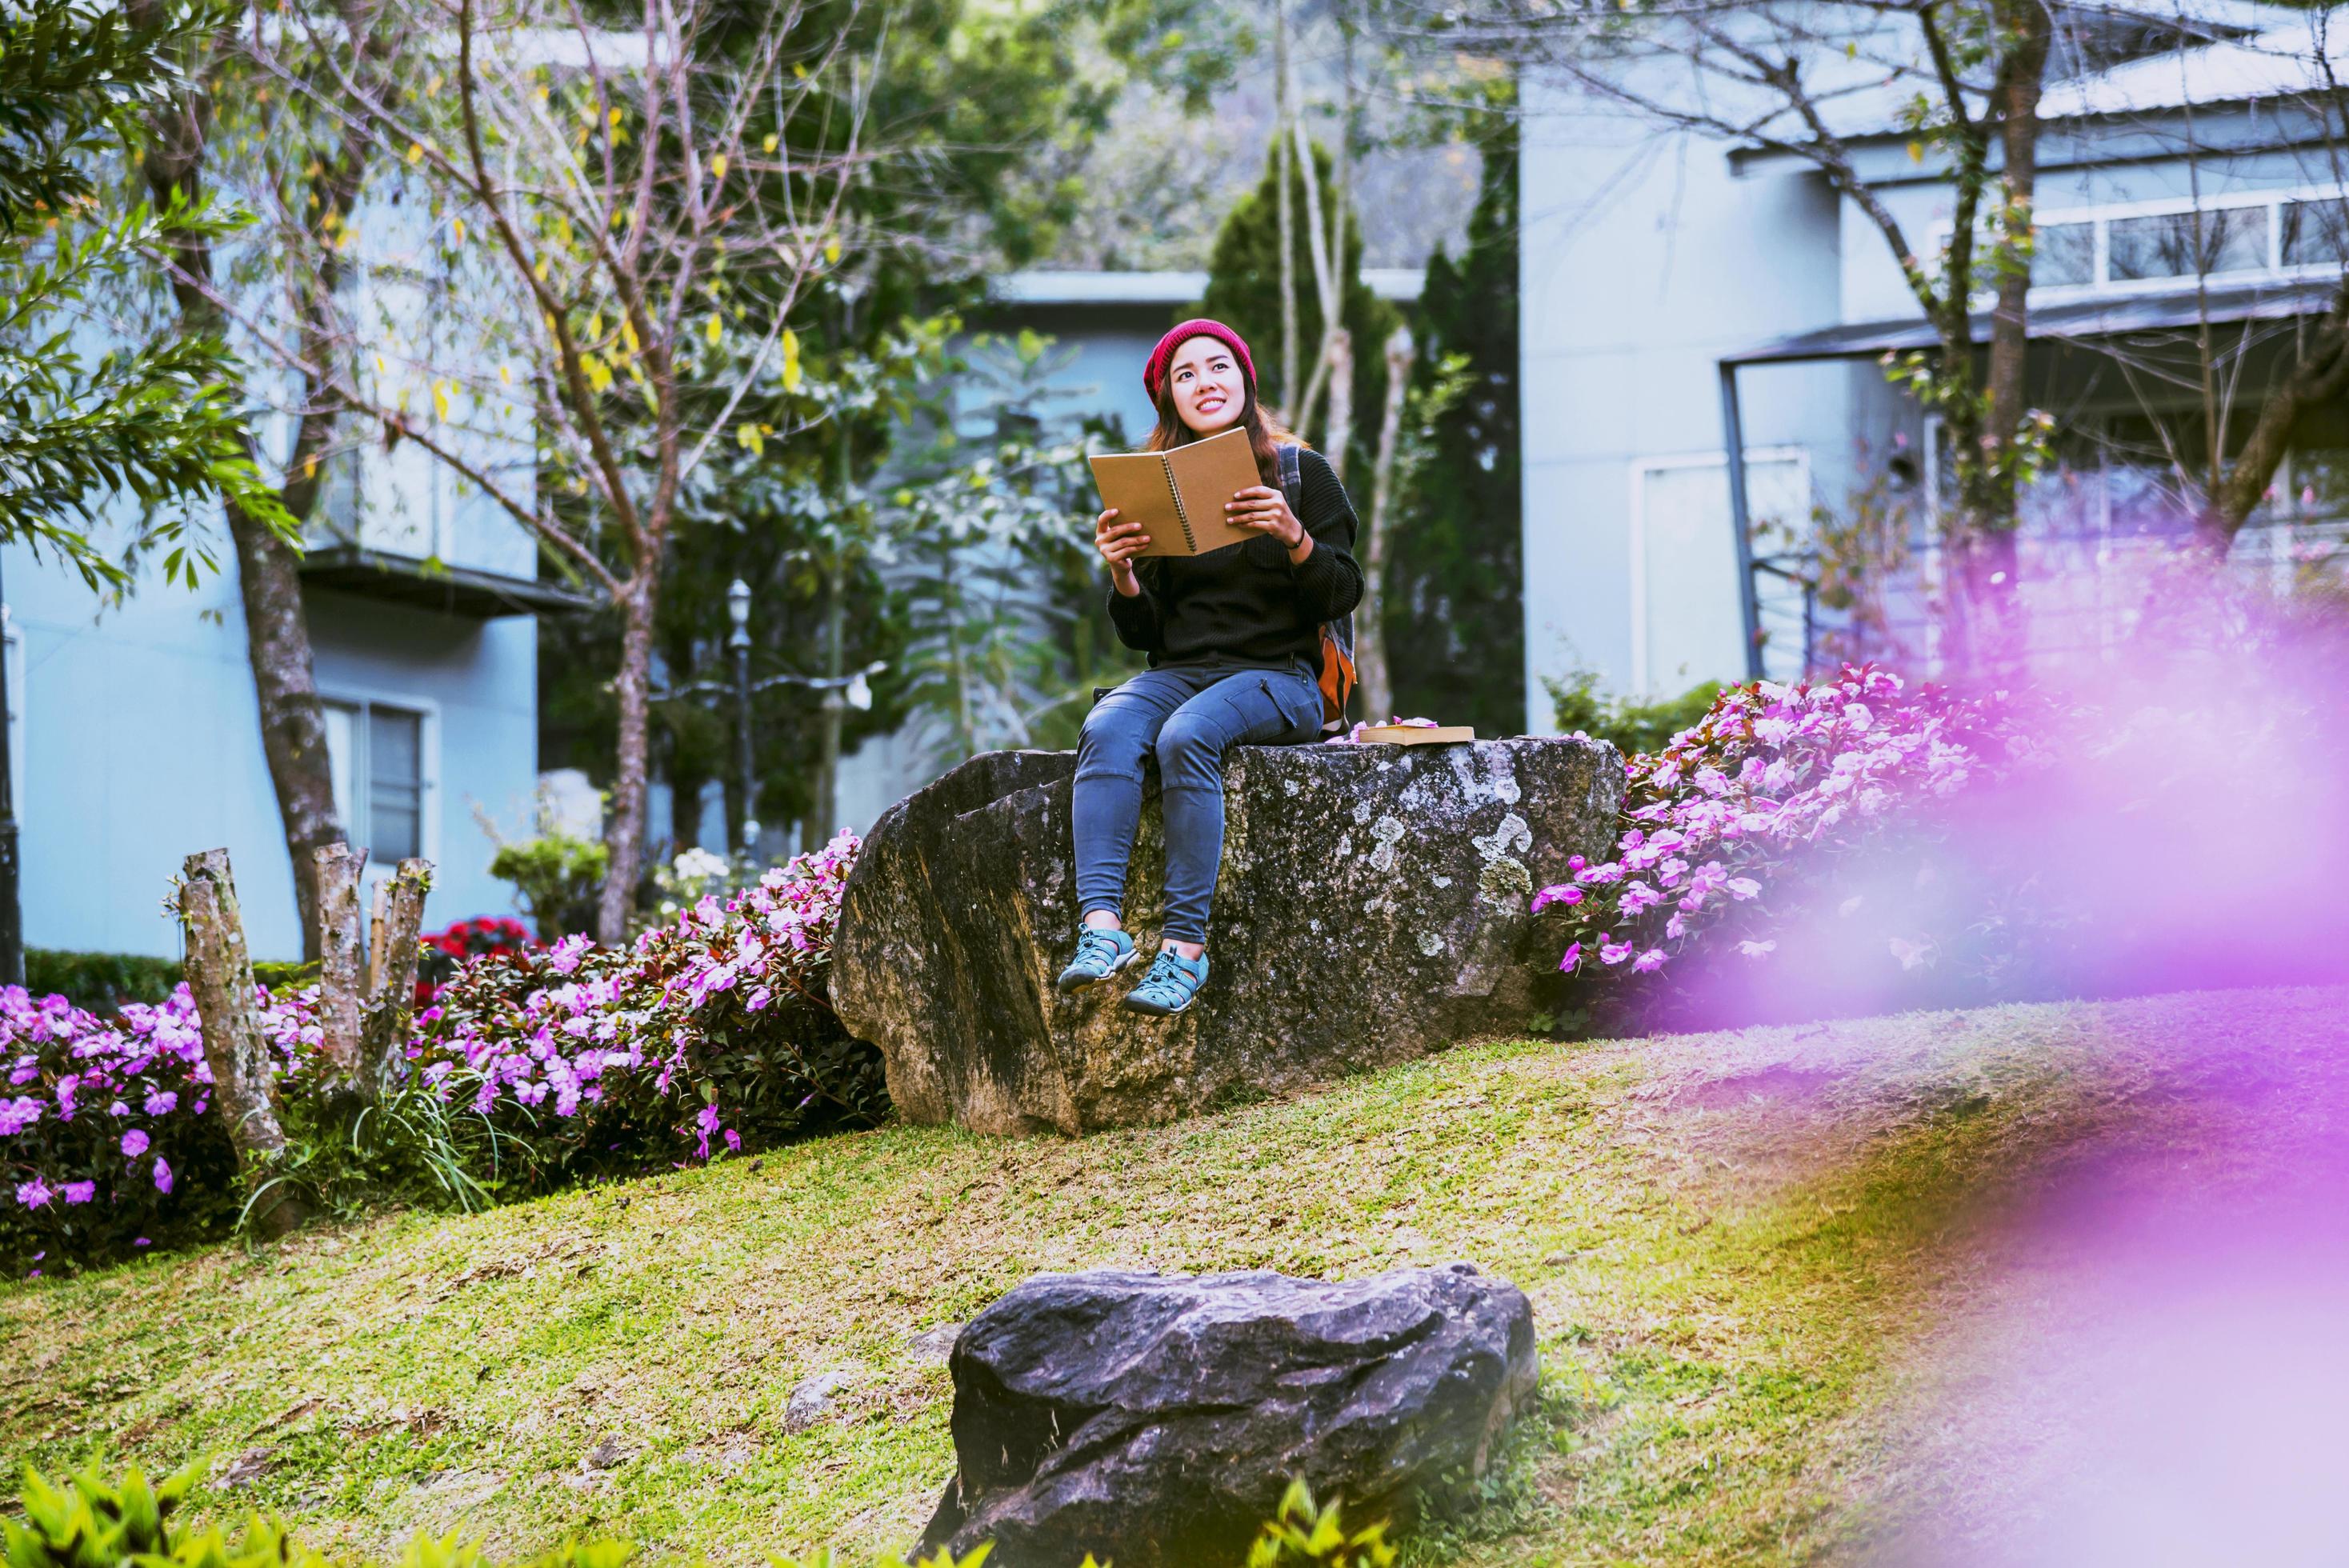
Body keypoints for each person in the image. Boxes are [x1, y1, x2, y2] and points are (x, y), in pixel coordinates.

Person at [1056, 318, 1365, 1016]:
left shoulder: (1299, 472)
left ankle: (1183, 953)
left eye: (1218, 366)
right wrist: (1124, 575)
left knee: (1186, 736)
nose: (1206, 383)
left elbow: (1344, 592)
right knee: (1108, 724)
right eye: (1186, 375)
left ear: (1246, 382)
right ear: (1169, 399)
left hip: (1282, 676)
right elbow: (1146, 636)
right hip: (1184, 670)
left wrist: (1293, 535)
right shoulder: (1153, 486)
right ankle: (1102, 930)